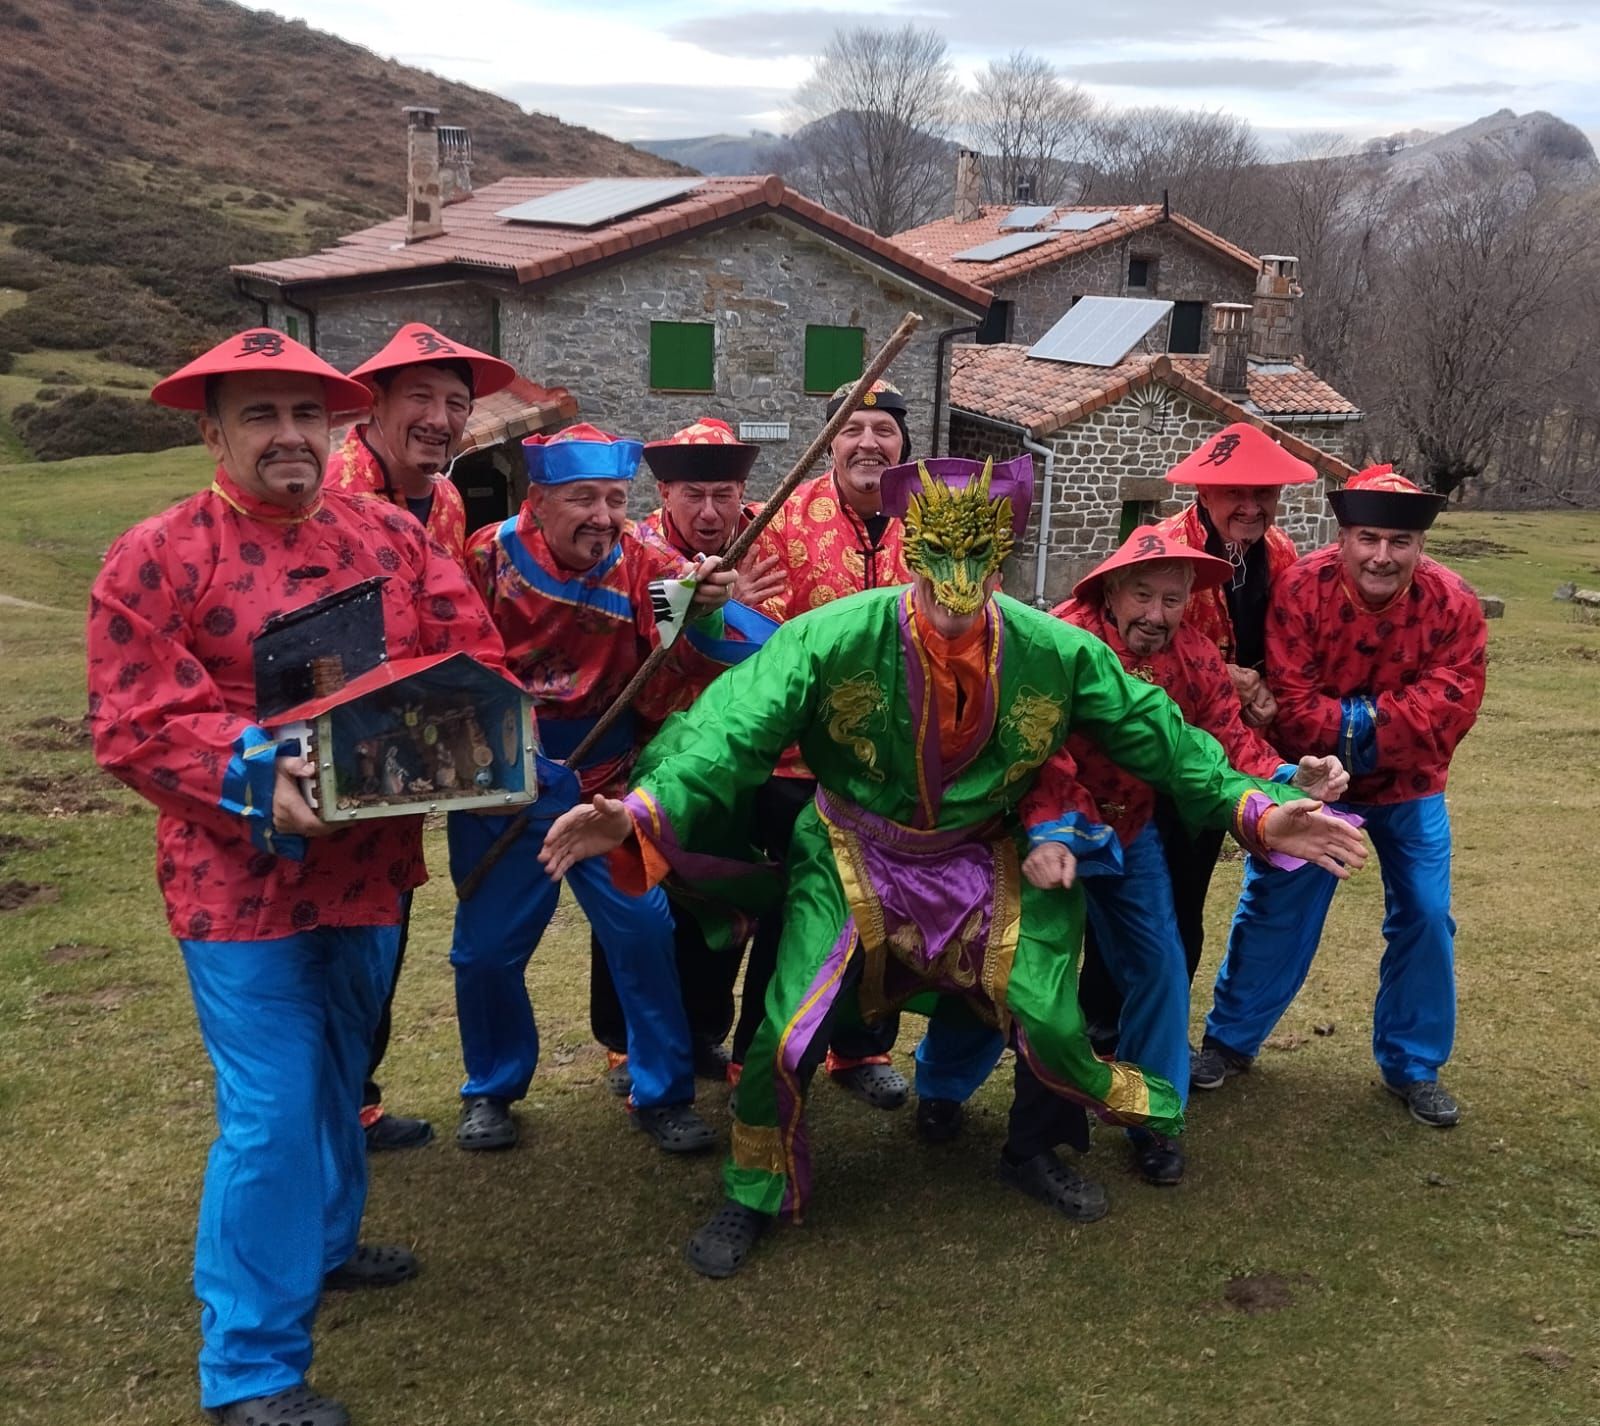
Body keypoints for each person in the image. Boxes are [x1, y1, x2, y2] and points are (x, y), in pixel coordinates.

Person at [537, 454, 1367, 1279]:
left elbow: (1168, 736)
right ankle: (756, 1185)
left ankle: (1035, 1150)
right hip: (850, 852)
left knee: (1047, 1009)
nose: (954, 608)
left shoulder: (1054, 652)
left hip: (983, 855)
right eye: (939, 583)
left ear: (1000, 564)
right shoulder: (831, 636)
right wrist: (642, 810)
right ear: (913, 559)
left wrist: (1256, 804)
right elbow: (728, 727)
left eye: (976, 580)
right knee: (787, 1036)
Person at [88, 329, 506, 1426]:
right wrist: (249, 770)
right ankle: (251, 1370)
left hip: (370, 872)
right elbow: (133, 722)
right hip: (237, 890)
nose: (289, 436)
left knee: (336, 1072)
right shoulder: (156, 554)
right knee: (269, 1110)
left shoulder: (394, 537)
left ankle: (320, 1243)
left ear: (337, 425)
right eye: (262, 415)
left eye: (306, 414)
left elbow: (474, 660)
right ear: (212, 430)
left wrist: (476, 734)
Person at [447, 422, 749, 1156]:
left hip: (605, 782)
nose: (604, 517)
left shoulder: (646, 560)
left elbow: (678, 662)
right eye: (584, 498)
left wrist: (701, 608)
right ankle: (491, 1086)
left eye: (616, 498)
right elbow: (451, 657)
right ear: (539, 500)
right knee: (487, 949)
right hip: (502, 777)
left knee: (645, 930)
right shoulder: (488, 554)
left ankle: (662, 1089)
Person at [1196, 466, 1485, 1127]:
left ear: (1418, 546)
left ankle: (1413, 1064)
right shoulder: (1301, 590)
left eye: (1399, 541)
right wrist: (1365, 730)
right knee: (1277, 902)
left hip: (1412, 785)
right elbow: (1292, 704)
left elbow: (1451, 705)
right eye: (1368, 538)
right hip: (1309, 775)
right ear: (1344, 535)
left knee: (1426, 914)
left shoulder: (1454, 603)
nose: (1382, 555)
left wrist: (1350, 722)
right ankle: (1230, 1039)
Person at [326, 322, 517, 1152]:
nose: (442, 418)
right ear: (371, 403)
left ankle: (356, 1099)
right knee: (340, 938)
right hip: (331, 741)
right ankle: (333, 1107)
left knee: (388, 922)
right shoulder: (331, 488)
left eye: (457, 404)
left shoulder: (442, 497)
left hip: (402, 749)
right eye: (422, 399)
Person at [1076, 423, 1319, 1050]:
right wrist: (1227, 679)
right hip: (1126, 762)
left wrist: (1258, 690)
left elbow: (1282, 647)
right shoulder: (1164, 549)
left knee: (1182, 897)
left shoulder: (1282, 555)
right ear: (1203, 494)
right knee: (1110, 896)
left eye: (1263, 493)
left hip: (1216, 746)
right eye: (1234, 491)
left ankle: (1149, 1030)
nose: (1251, 506)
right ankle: (1098, 1021)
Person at [733, 378, 918, 1109]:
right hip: (796, 765)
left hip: (895, 767)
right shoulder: (781, 519)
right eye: (853, 428)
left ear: (904, 443)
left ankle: (862, 1049)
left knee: (887, 913)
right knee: (792, 915)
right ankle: (762, 1052)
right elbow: (763, 637)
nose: (869, 442)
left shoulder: (929, 515)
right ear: (831, 440)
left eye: (884, 429)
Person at [589, 417, 783, 1092]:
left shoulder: (767, 539)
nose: (710, 512)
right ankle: (623, 1040)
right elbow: (633, 650)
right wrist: (713, 611)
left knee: (724, 895)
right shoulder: (633, 551)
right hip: (648, 757)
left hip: (738, 758)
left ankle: (702, 1031)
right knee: (642, 891)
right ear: (665, 493)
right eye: (693, 495)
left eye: (724, 494)